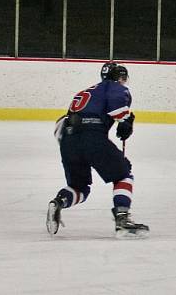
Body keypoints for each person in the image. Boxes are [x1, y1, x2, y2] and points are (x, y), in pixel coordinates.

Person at [47, 62, 149, 238]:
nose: (124, 81)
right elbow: (118, 107)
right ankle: (123, 220)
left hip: (68, 140)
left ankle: (59, 202)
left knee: (79, 187)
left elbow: (62, 123)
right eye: (123, 77)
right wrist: (125, 122)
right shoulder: (114, 87)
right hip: (91, 137)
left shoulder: (84, 92)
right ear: (118, 77)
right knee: (123, 175)